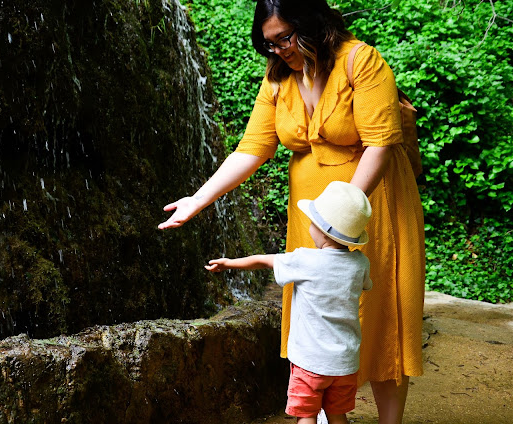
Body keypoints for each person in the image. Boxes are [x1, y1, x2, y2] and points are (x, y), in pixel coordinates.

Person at [158, 0, 425, 422]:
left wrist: (342, 216)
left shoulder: (362, 61)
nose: (280, 49)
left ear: (312, 23)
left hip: (370, 206)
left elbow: (380, 143)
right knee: (316, 313)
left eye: (286, 37)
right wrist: (199, 198)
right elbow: (253, 148)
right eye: (270, 43)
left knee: (382, 317)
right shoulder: (278, 78)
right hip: (312, 215)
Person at [206, 181, 373, 424]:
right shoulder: (360, 264)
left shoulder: (304, 260)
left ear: (321, 230)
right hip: (344, 362)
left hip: (310, 362)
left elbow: (264, 260)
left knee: (306, 415)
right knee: (338, 415)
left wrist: (228, 263)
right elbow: (366, 284)